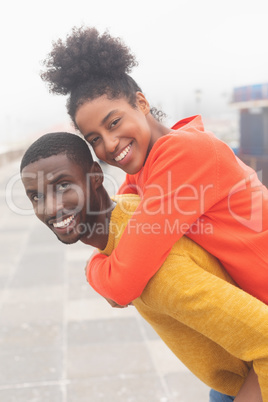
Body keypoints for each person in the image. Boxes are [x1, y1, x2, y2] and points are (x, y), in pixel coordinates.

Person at [20, 132, 267, 401]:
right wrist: (98, 269)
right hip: (232, 378)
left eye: (63, 186)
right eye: (36, 197)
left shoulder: (158, 276)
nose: (51, 208)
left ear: (95, 177)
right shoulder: (133, 206)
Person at [40, 26, 268, 311]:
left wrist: (92, 268)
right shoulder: (146, 168)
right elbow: (114, 225)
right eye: (94, 139)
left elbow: (122, 287)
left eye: (114, 123)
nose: (109, 144)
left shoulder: (184, 155)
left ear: (141, 102)